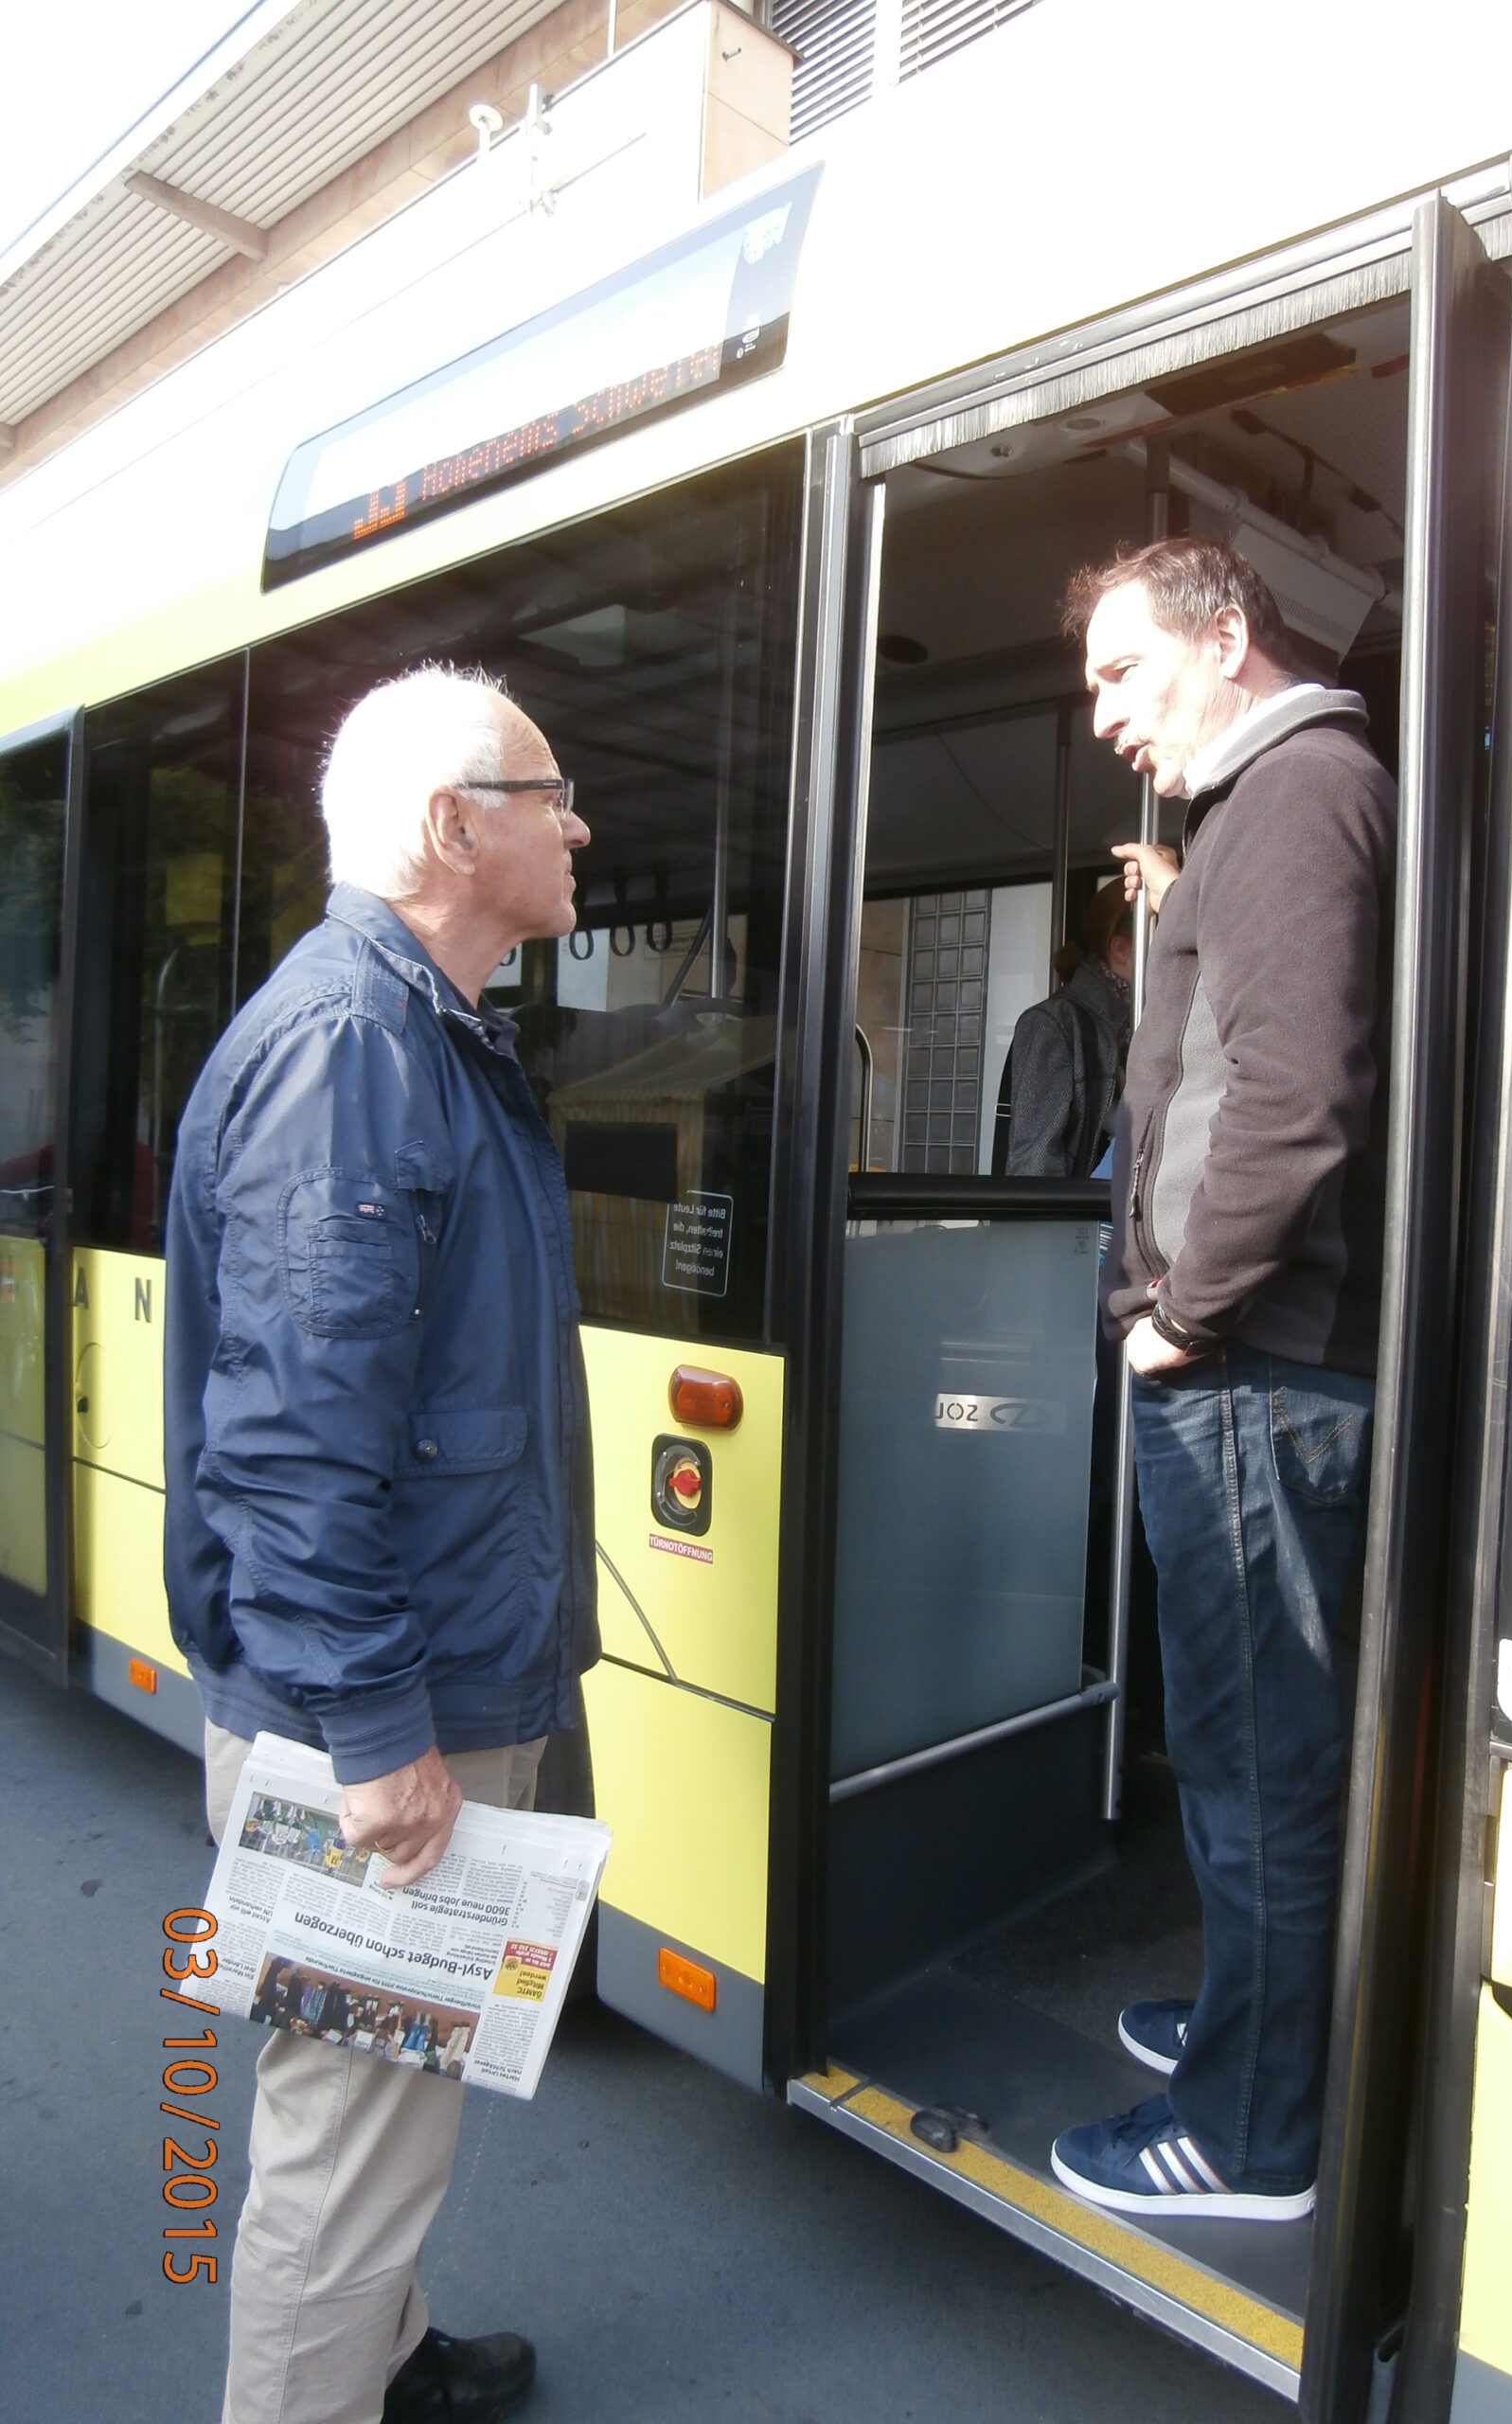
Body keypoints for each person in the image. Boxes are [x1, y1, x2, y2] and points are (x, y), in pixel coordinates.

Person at [164, 664, 599, 2424]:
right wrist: (378, 1732)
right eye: (552, 794)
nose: (579, 826)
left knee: (386, 2095)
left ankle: (389, 2362)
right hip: (379, 1705)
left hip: (415, 1670)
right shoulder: (356, 1048)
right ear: (453, 826)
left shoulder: (409, 1030)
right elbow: (292, 1446)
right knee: (343, 2149)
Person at [1047, 537, 1395, 2223]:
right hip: (1248, 1372)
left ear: (1229, 636)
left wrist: (1183, 1315)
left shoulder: (1302, 790)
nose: (1102, 711)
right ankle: (1252, 2034)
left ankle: (1252, 2135)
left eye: (1124, 671)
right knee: (1259, 1756)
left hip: (1251, 1374)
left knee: (1261, 1771)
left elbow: (1289, 1100)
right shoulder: (1258, 814)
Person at [991, 882, 1134, 1178]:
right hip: (1079, 1220)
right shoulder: (1054, 1024)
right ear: (1120, 948)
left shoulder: (1135, 1022)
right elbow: (1035, 1167)